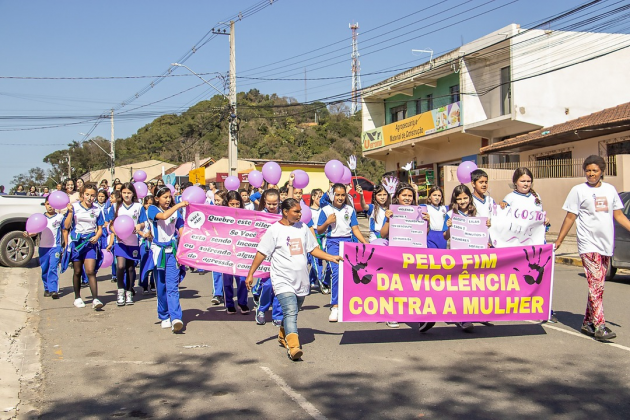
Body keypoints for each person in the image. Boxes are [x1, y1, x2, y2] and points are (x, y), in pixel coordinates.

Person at [246, 198, 343, 361]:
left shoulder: (303, 228)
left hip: (301, 280)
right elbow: (261, 253)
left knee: (294, 310)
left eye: (300, 211)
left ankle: (283, 334)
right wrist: (251, 274)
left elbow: (312, 249)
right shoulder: (274, 230)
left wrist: (330, 257)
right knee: (290, 311)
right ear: (285, 212)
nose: (300, 214)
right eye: (296, 211)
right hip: (282, 279)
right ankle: (293, 347)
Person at [555, 155, 630, 341]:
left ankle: (587, 322)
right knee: (596, 283)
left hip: (606, 244)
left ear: (602, 171)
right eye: (588, 170)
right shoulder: (578, 190)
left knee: (597, 285)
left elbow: (619, 215)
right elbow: (570, 217)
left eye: (594, 170)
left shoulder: (610, 190)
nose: (591, 174)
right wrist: (559, 240)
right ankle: (599, 325)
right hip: (588, 243)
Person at [317, 183, 368, 322]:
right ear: (332, 195)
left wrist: (364, 242)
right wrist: (327, 222)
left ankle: (348, 302)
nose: (340, 197)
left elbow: (355, 229)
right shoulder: (326, 210)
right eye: (337, 195)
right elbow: (319, 230)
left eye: (342, 195)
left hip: (348, 242)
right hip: (332, 242)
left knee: (351, 273)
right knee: (336, 272)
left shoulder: (350, 210)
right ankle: (335, 305)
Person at [147, 186, 188, 333]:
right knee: (162, 286)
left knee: (172, 286)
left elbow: (181, 228)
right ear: (157, 198)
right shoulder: (152, 209)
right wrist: (178, 204)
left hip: (172, 253)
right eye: (165, 197)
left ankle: (176, 317)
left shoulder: (175, 212)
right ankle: (164, 315)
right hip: (159, 253)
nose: (168, 199)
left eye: (169, 197)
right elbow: (163, 217)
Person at [63, 183, 104, 310]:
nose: (89, 198)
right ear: (82, 195)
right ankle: (77, 297)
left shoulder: (97, 209)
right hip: (77, 242)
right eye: (87, 195)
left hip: (90, 243)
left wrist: (97, 237)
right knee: (77, 271)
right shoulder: (74, 207)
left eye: (92, 195)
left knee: (90, 271)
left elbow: (100, 228)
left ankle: (95, 299)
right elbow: (66, 225)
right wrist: (70, 213)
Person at [107, 183, 144, 306]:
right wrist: (115, 231)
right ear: (121, 193)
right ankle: (120, 291)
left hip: (133, 242)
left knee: (130, 268)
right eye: (124, 193)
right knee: (120, 266)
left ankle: (129, 291)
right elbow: (110, 224)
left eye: (129, 193)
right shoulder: (115, 206)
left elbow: (143, 222)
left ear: (133, 193)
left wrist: (140, 226)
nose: (126, 195)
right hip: (120, 242)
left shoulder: (138, 206)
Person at [25, 197, 65, 298]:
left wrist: (66, 244)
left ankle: (53, 290)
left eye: (51, 204)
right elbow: (35, 232)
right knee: (45, 268)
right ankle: (47, 288)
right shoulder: (41, 218)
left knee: (53, 267)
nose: (50, 206)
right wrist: (29, 234)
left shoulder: (60, 217)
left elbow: (65, 230)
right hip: (43, 248)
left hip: (55, 247)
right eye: (47, 204)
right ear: (45, 205)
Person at [219, 191, 250, 314]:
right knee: (227, 279)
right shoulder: (220, 215)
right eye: (232, 204)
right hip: (226, 251)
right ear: (227, 203)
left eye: (237, 204)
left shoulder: (245, 214)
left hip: (241, 251)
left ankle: (243, 303)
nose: (235, 207)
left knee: (242, 279)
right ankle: (229, 304)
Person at [139, 196, 156, 294]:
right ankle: (144, 284)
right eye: (147, 203)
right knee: (144, 262)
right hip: (143, 241)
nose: (149, 205)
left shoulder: (155, 213)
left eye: (151, 203)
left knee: (154, 263)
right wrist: (144, 234)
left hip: (153, 241)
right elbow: (137, 227)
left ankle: (153, 283)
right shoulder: (142, 214)